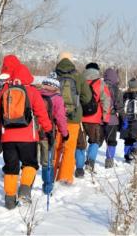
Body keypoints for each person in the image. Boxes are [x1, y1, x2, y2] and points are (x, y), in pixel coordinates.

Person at [0, 64, 52, 209]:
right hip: (28, 137)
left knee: (10, 168)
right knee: (30, 164)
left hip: (8, 137)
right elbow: (41, 113)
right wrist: (48, 130)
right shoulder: (32, 91)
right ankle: (24, 190)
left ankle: (9, 199)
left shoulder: (5, 90)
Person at [54, 52, 92, 184]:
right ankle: (65, 178)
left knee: (56, 147)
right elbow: (87, 98)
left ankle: (51, 176)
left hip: (56, 118)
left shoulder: (53, 75)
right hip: (74, 117)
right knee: (70, 148)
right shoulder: (78, 76)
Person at [75, 63, 111, 177]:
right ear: (97, 70)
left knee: (80, 144)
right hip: (95, 118)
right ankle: (90, 162)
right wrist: (105, 117)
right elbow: (106, 101)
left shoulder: (79, 81)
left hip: (79, 117)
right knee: (94, 141)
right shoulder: (101, 83)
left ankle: (79, 169)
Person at [39, 72, 69, 194]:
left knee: (31, 162)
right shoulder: (57, 98)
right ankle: (47, 187)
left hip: (33, 133)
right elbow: (61, 118)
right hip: (48, 134)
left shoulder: (36, 94)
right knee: (47, 162)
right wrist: (65, 133)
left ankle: (27, 187)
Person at [102, 68, 123, 168]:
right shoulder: (116, 90)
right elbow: (120, 107)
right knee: (111, 141)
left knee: (95, 141)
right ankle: (109, 161)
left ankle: (89, 161)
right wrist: (123, 119)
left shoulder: (99, 86)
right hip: (112, 120)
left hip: (99, 119)